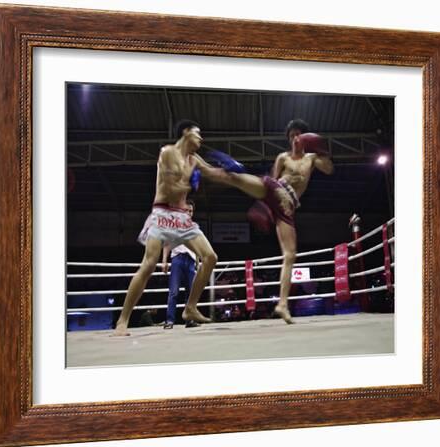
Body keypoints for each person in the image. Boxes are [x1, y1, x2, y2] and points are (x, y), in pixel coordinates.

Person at [196, 119, 334, 324]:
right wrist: (265, 206)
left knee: (290, 255)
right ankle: (196, 162)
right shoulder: (283, 157)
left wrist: (320, 148)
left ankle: (282, 304)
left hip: (288, 208)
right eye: (291, 136)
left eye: (298, 135)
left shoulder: (312, 158)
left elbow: (329, 169)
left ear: (304, 137)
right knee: (233, 178)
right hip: (274, 190)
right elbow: (271, 180)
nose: (294, 139)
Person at [113, 120, 217, 336]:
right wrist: (191, 183)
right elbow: (170, 189)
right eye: (198, 134)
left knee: (210, 257)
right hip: (162, 214)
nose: (201, 138)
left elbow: (215, 174)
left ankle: (190, 308)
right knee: (148, 265)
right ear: (186, 133)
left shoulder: (194, 159)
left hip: (182, 218)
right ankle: (123, 321)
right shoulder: (168, 153)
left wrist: (237, 175)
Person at [161, 200, 201, 329]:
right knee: (174, 291)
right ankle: (169, 321)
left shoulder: (195, 227)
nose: (189, 213)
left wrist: (198, 262)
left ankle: (189, 320)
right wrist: (164, 261)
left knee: (191, 293)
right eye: (187, 210)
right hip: (177, 259)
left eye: (191, 211)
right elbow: (166, 244)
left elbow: (199, 247)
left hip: (190, 260)